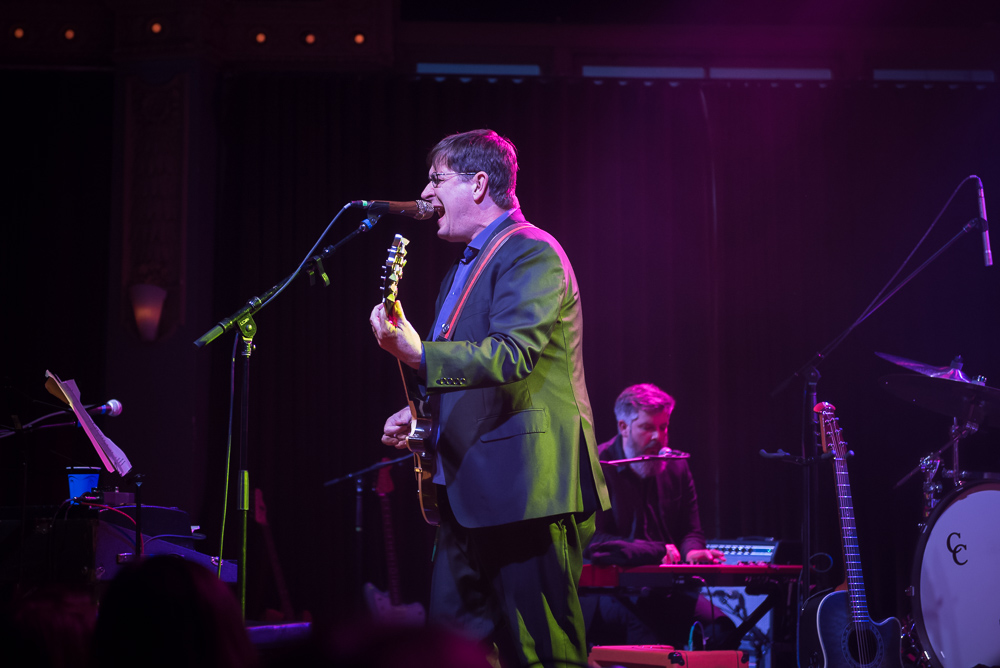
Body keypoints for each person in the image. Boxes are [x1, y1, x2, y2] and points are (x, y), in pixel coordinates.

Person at [369, 128, 609, 668]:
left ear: (479, 184)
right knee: (449, 651)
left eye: (436, 179)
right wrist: (418, 413)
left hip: (527, 489)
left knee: (543, 654)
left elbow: (512, 356)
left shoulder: (532, 251)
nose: (425, 194)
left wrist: (417, 354)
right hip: (468, 492)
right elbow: (473, 376)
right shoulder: (466, 264)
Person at [583, 383, 733, 650]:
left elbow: (691, 530)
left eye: (663, 427)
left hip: (664, 589)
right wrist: (656, 550)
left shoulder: (676, 467)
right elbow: (594, 540)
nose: (658, 437)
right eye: (647, 427)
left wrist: (693, 551)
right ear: (623, 427)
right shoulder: (599, 465)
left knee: (722, 630)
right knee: (650, 633)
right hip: (610, 591)